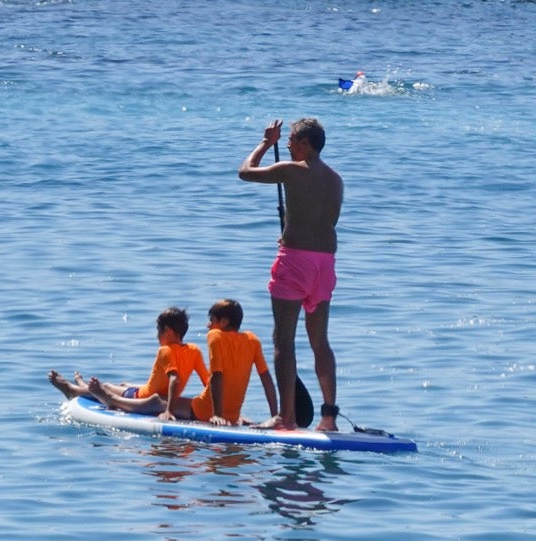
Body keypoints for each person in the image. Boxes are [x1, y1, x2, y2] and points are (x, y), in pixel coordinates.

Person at [238, 118, 342, 433]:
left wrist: (265, 143)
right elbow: (322, 221)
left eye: (292, 141)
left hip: (295, 263)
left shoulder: (292, 170)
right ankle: (329, 418)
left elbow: (245, 172)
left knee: (282, 339)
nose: (287, 145)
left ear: (306, 144)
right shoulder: (336, 180)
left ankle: (286, 417)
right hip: (325, 264)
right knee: (319, 340)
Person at [49, 306, 210, 420]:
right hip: (151, 390)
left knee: (108, 387)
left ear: (167, 330)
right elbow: (208, 381)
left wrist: (169, 411)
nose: (157, 336)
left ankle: (73, 390)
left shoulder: (165, 351)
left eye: (158, 330)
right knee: (123, 384)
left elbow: (175, 380)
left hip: (143, 396)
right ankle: (82, 387)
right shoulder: (194, 350)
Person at [193, 298, 279, 425]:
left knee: (159, 401)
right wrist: (274, 416)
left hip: (205, 410)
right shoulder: (252, 340)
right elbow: (266, 378)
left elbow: (217, 375)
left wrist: (217, 415)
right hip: (232, 416)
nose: (208, 325)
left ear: (224, 321)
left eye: (212, 320)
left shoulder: (215, 335)